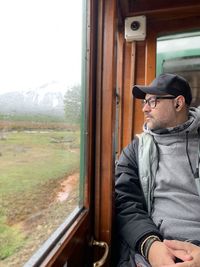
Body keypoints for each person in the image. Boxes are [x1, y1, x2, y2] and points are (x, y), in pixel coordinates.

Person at [115, 73, 200, 267]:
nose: (145, 108)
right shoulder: (136, 151)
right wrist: (150, 246)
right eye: (145, 102)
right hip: (154, 248)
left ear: (178, 104)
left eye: (152, 101)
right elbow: (125, 202)